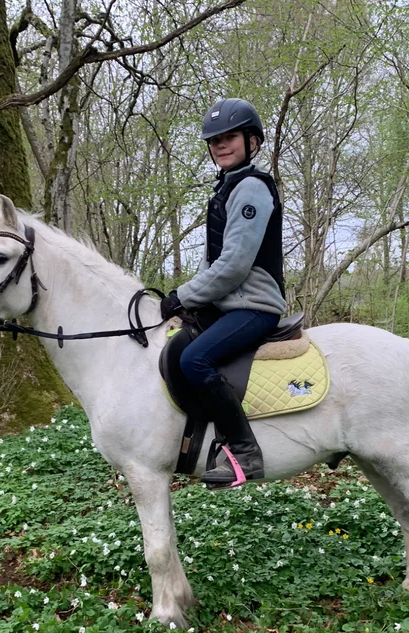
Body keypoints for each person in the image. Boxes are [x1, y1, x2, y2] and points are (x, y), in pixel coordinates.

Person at [160, 98, 286, 488]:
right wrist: (190, 299)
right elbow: (211, 261)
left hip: (255, 306)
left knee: (195, 359)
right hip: (228, 305)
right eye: (214, 140)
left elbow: (233, 265)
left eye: (230, 137)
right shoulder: (226, 188)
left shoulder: (251, 188)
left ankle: (245, 452)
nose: (220, 145)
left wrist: (183, 295)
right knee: (177, 346)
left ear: (253, 141)